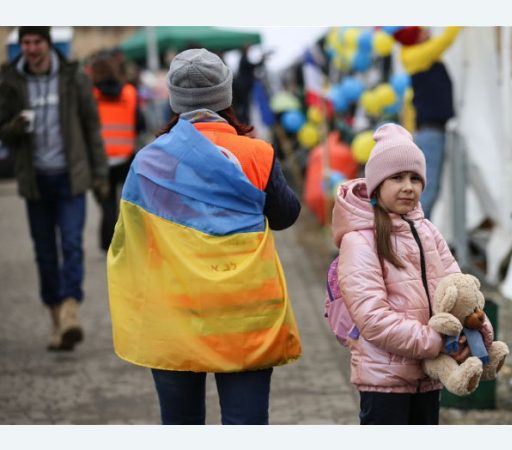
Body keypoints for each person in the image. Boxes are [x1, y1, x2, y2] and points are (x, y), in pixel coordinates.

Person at [107, 48, 302, 425]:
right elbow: (286, 215)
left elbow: (129, 236)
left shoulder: (148, 161)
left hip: (175, 313)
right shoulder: (257, 154)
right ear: (225, 95)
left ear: (174, 98)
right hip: (245, 315)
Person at [331, 123, 494, 425]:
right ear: (377, 184)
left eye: (415, 178)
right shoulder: (360, 240)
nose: (408, 186)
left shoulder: (427, 230)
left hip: (428, 375)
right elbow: (372, 317)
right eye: (397, 177)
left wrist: (473, 330)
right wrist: (434, 341)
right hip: (386, 379)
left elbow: (459, 290)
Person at [0, 26, 109, 351]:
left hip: (69, 176)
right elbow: (2, 131)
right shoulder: (10, 81)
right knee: (45, 253)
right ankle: (55, 319)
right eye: (26, 43)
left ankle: (71, 312)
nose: (31, 49)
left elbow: (92, 126)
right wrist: (13, 128)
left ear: (48, 44)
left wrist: (100, 173)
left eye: (37, 42)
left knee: (73, 244)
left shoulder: (73, 77)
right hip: (35, 180)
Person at [396, 26, 461, 219]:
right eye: (422, 32)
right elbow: (445, 40)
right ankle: (415, 233)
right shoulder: (417, 56)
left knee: (429, 186)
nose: (428, 32)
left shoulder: (416, 56)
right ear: (416, 39)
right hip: (431, 132)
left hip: (430, 131)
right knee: (428, 187)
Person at [90, 54, 142, 251]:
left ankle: (108, 243)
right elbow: (139, 123)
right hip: (125, 156)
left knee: (106, 204)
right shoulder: (129, 92)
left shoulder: (91, 95)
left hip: (101, 160)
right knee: (127, 202)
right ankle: (127, 241)